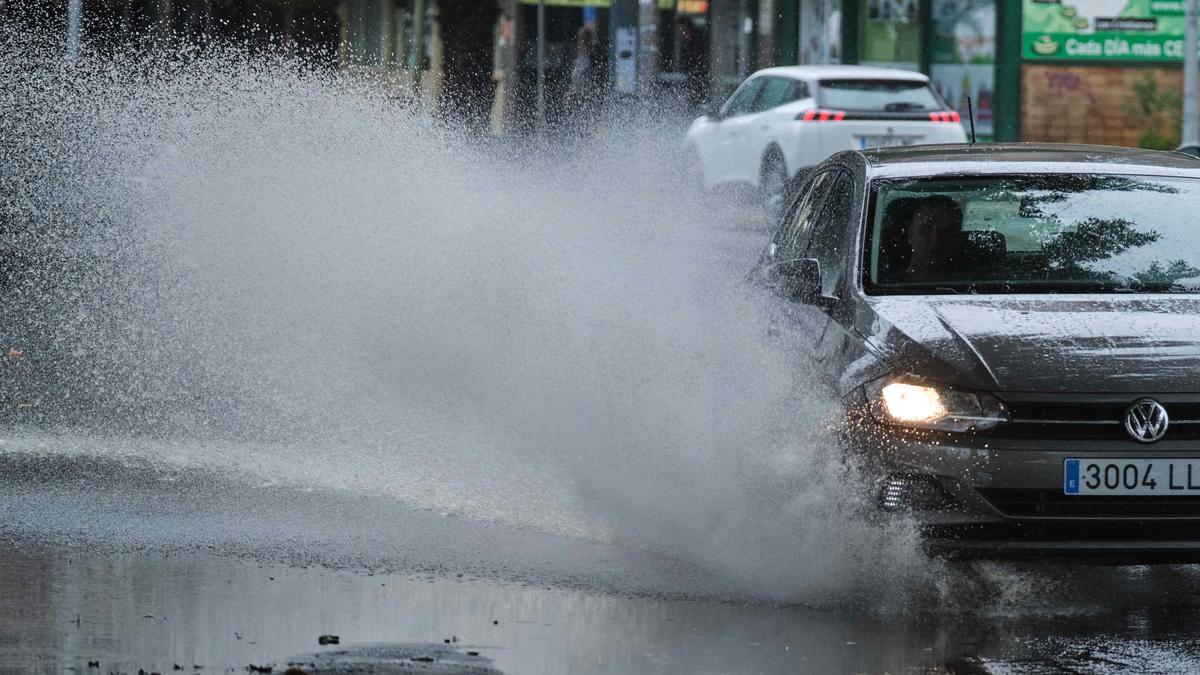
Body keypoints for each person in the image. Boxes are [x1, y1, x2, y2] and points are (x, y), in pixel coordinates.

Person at [904, 196, 964, 283]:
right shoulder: (886, 288)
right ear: (910, 235)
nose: (935, 238)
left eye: (945, 231)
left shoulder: (975, 284)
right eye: (926, 229)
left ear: (957, 239)